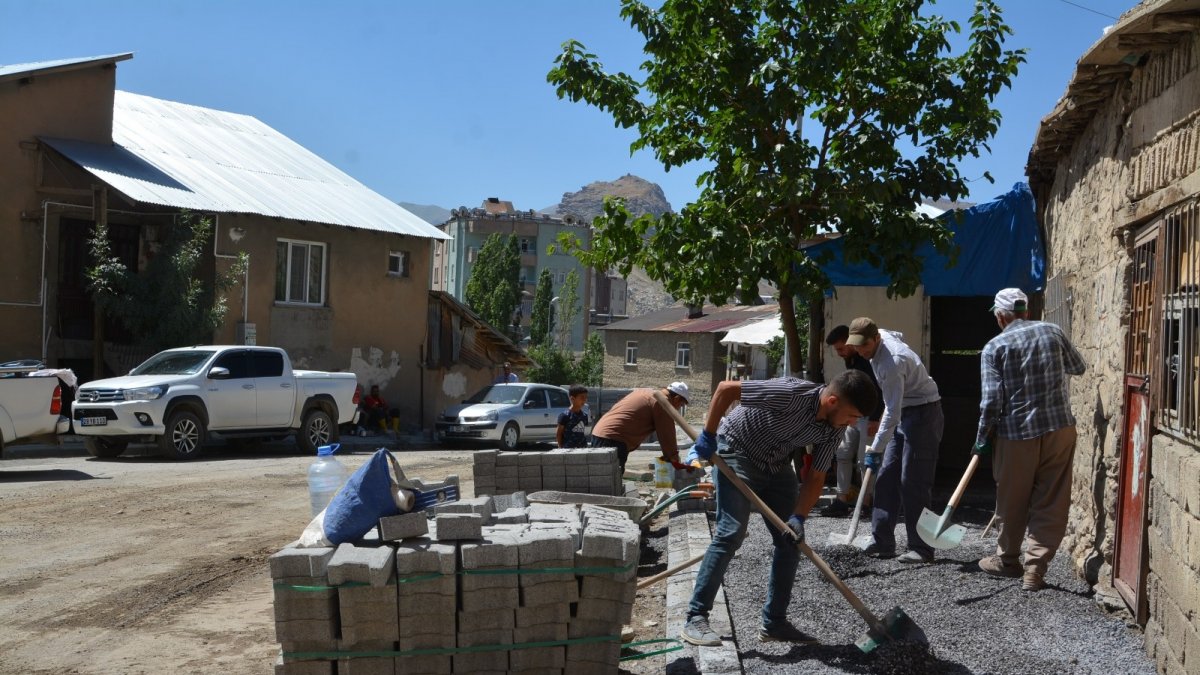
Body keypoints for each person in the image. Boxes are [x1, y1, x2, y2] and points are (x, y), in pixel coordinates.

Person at [680, 370, 879, 646]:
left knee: (791, 541)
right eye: (852, 415)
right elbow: (726, 389)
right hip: (737, 450)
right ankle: (696, 617)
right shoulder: (790, 393)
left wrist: (799, 516)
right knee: (731, 532)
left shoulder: (834, 426)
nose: (853, 423)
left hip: (776, 464)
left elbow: (817, 476)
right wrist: (709, 435)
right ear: (833, 401)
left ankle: (774, 623)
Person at [974, 288, 1085, 592]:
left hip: (1016, 434)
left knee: (1012, 498)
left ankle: (1008, 561)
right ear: (1026, 310)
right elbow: (1079, 367)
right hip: (1059, 428)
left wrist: (981, 439)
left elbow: (991, 401)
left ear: (1000, 316)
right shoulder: (1053, 331)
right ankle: (1035, 570)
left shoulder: (994, 346)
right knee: (1052, 497)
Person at [847, 317, 944, 563]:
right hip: (904, 411)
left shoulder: (893, 362)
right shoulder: (878, 337)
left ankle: (922, 548)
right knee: (886, 476)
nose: (861, 351)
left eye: (865, 345)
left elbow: (892, 412)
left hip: (923, 412)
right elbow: (895, 331)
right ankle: (882, 542)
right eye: (856, 345)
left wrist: (875, 448)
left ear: (876, 339)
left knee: (913, 481)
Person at [821, 325, 884, 517]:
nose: (840, 353)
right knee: (842, 454)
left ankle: (865, 503)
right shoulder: (852, 359)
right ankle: (842, 500)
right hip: (853, 416)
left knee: (865, 460)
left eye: (841, 348)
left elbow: (879, 390)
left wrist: (875, 419)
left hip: (868, 417)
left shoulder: (867, 360)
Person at [589, 382, 690, 471]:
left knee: (599, 477)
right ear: (676, 399)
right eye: (681, 405)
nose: (678, 409)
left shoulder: (646, 392)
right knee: (609, 478)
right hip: (613, 439)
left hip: (599, 433)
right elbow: (667, 435)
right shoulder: (662, 402)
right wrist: (674, 460)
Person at [556, 384, 590, 449]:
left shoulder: (584, 415)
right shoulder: (565, 415)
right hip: (568, 450)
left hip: (582, 449)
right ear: (572, 399)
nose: (585, 400)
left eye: (586, 397)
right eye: (582, 397)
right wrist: (560, 448)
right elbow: (559, 434)